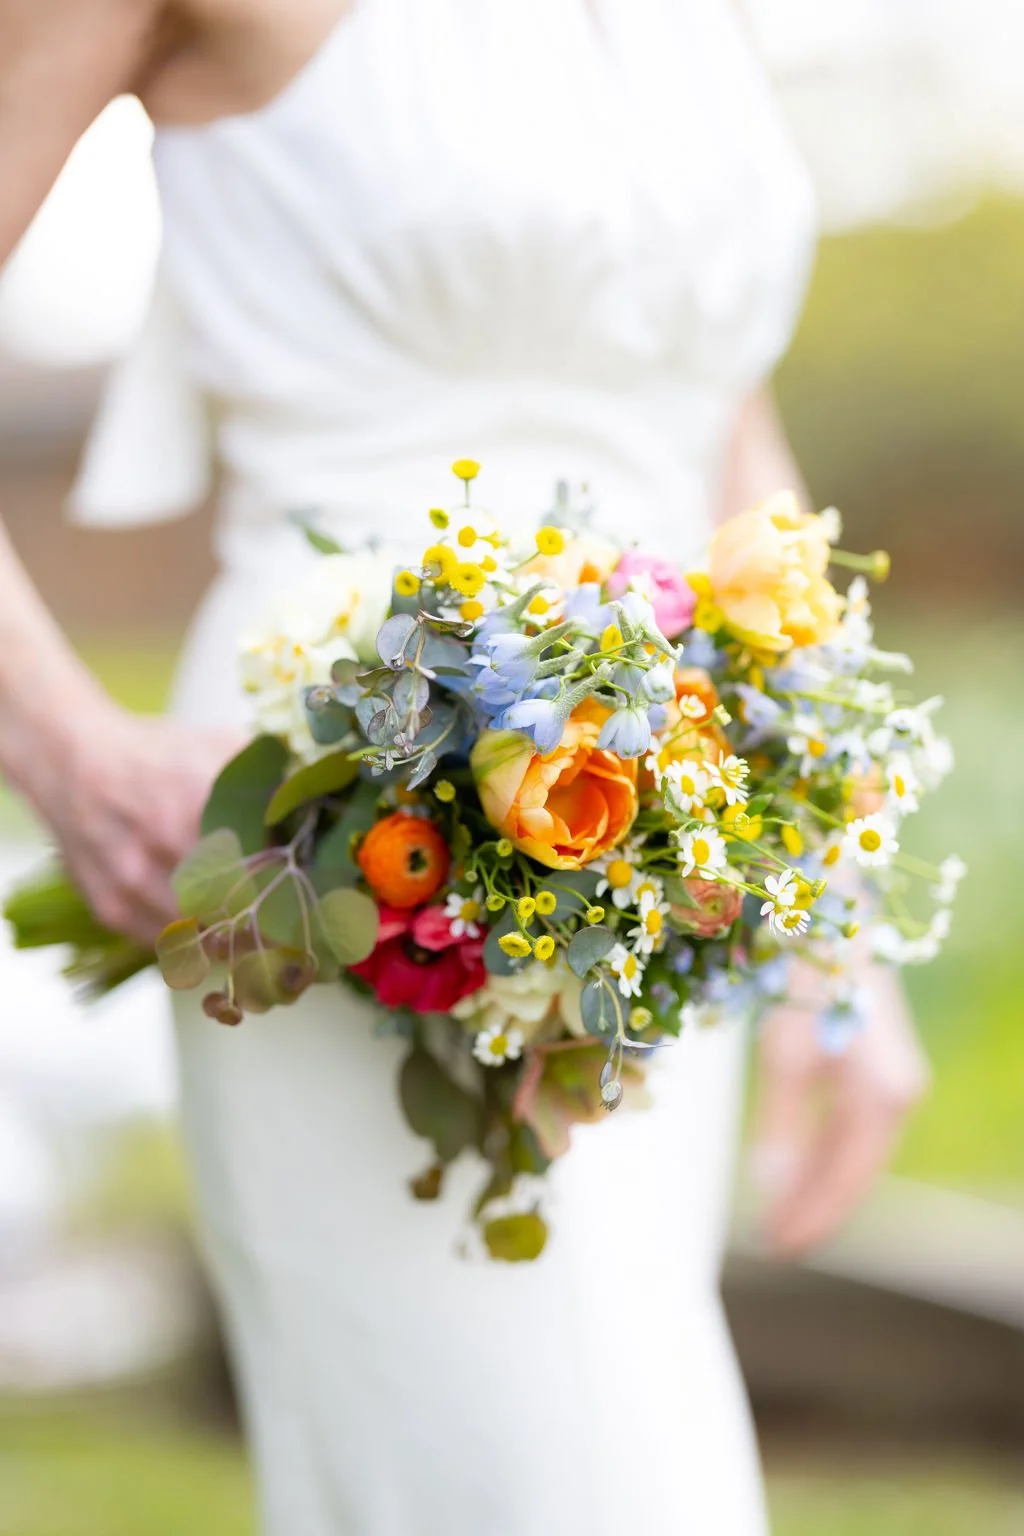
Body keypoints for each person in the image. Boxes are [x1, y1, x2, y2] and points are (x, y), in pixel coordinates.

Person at [0, 2, 929, 1531]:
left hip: (654, 878)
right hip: (336, 854)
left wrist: (841, 917)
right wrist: (61, 746)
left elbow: (717, 430)